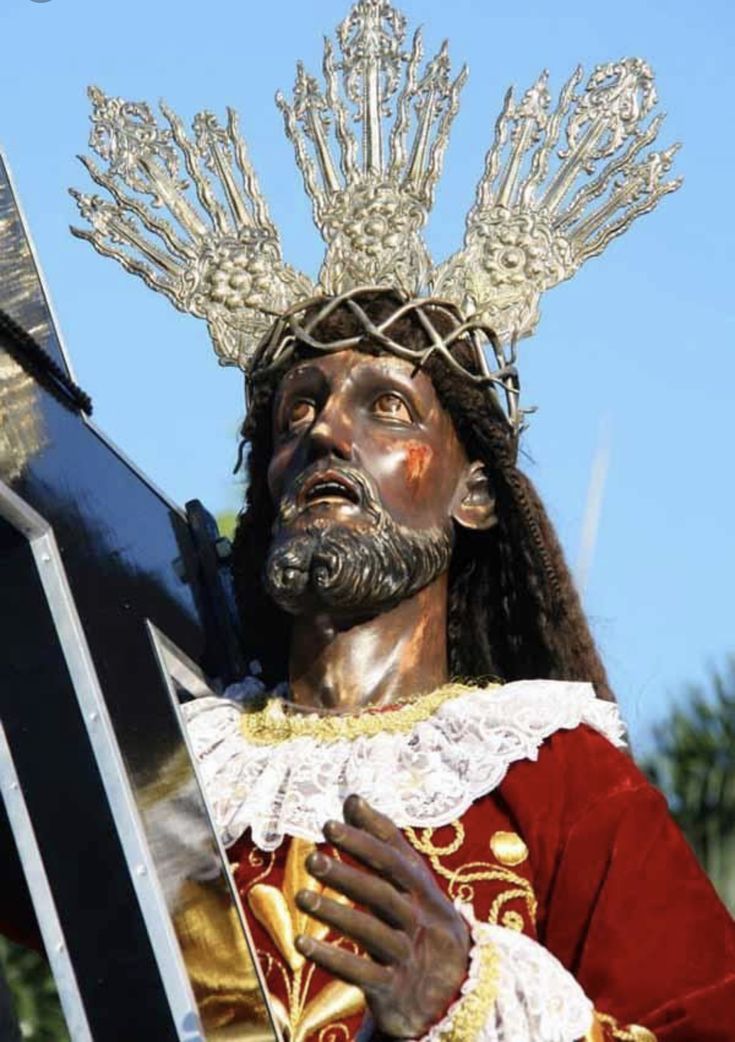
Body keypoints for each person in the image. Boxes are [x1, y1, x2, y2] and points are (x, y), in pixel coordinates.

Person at [71, 2, 735, 1037]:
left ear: (472, 493)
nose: (328, 427)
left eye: (386, 405)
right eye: (300, 407)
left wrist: (468, 1002)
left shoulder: (555, 777)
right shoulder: (167, 777)